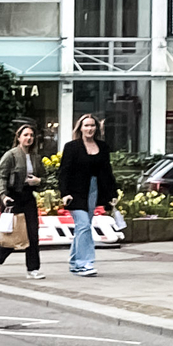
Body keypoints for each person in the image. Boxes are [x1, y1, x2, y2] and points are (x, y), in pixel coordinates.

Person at [58, 112, 115, 278]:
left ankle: (75, 263)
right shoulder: (72, 147)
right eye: (86, 125)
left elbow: (107, 172)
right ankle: (85, 263)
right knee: (83, 225)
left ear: (96, 128)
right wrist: (64, 193)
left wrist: (112, 193)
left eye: (92, 125)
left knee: (82, 227)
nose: (90, 128)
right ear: (80, 128)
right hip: (76, 192)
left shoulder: (102, 147)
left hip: (94, 190)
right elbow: (64, 172)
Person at [0, 123, 43, 280]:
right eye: (25, 135)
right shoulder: (11, 155)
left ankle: (33, 269)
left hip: (28, 196)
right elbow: (1, 176)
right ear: (18, 137)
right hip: (13, 197)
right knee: (14, 236)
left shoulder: (36, 157)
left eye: (31, 135)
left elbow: (43, 178)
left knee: (33, 234)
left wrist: (38, 181)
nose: (29, 138)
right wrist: (3, 195)